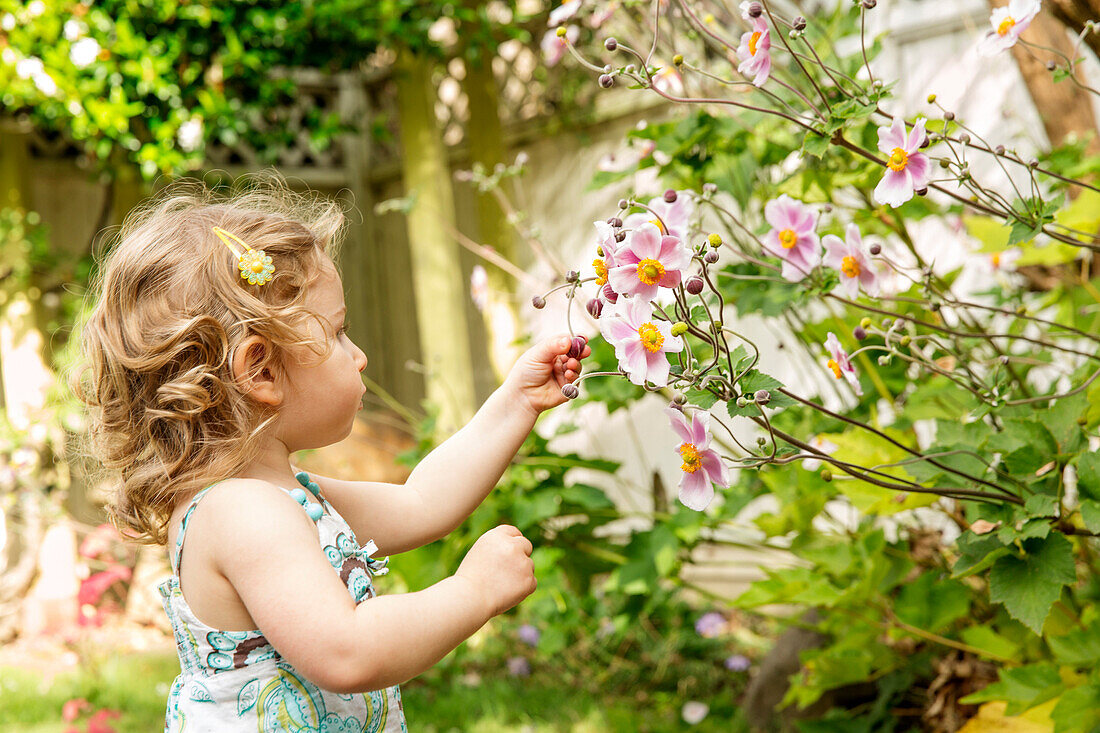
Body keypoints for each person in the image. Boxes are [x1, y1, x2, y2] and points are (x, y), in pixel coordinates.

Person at [70, 175, 589, 731]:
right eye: (339, 333)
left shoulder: (283, 497)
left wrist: (516, 403)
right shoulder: (243, 514)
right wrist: (474, 591)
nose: (359, 356)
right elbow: (348, 651)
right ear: (262, 370)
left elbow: (421, 502)